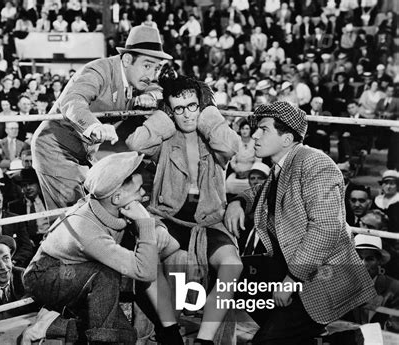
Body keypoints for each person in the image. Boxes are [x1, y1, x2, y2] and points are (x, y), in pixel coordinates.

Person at [224, 101, 376, 344]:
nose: (254, 135)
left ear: (286, 139)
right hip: (291, 269)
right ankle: (348, 340)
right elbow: (262, 191)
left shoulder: (315, 163)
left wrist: (291, 280)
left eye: (264, 130)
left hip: (319, 278)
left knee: (266, 341)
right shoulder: (284, 165)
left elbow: (326, 229)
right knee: (236, 281)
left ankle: (353, 339)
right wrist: (238, 202)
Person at [127, 73, 242, 344]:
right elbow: (135, 143)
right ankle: (169, 332)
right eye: (179, 109)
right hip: (168, 218)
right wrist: (164, 117)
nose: (188, 115)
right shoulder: (166, 138)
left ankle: (204, 340)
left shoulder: (212, 136)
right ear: (171, 112)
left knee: (232, 265)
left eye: (193, 106)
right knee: (148, 253)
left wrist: (209, 114)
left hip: (208, 221)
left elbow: (231, 146)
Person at [21, 152, 179, 345]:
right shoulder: (86, 229)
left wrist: (156, 226)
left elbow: (171, 247)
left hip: (82, 275)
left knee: (127, 335)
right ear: (117, 197)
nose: (144, 195)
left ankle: (47, 327)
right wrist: (145, 223)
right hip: (46, 275)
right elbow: (145, 272)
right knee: (105, 274)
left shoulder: (106, 206)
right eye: (139, 190)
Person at [31, 25, 172, 210]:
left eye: (156, 69)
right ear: (128, 59)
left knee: (92, 206)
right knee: (77, 213)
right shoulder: (98, 71)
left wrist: (151, 96)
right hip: (55, 148)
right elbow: (72, 100)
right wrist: (94, 126)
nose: (151, 75)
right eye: (147, 66)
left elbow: (156, 87)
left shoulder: (137, 77)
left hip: (82, 152)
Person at [354, 233, 399, 329]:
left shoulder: (394, 288)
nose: (363, 264)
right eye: (359, 258)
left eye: (370, 259)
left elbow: (395, 328)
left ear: (380, 261)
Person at [8, 168, 50, 247]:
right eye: (24, 185)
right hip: (28, 243)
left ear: (38, 184)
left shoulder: (48, 201)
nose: (28, 188)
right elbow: (16, 232)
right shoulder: (15, 206)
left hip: (49, 238)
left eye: (31, 184)